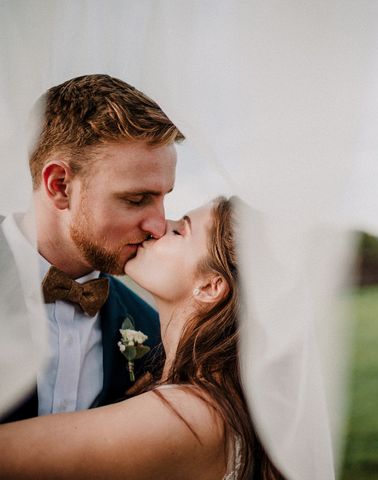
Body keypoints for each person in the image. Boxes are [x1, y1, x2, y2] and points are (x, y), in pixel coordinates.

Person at [0, 197, 284, 479]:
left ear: (210, 287)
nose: (158, 227)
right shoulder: (212, 401)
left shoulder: (189, 418)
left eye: (179, 230)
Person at [0, 74, 183, 422]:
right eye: (136, 199)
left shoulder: (155, 334)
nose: (158, 226)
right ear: (60, 185)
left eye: (162, 198)